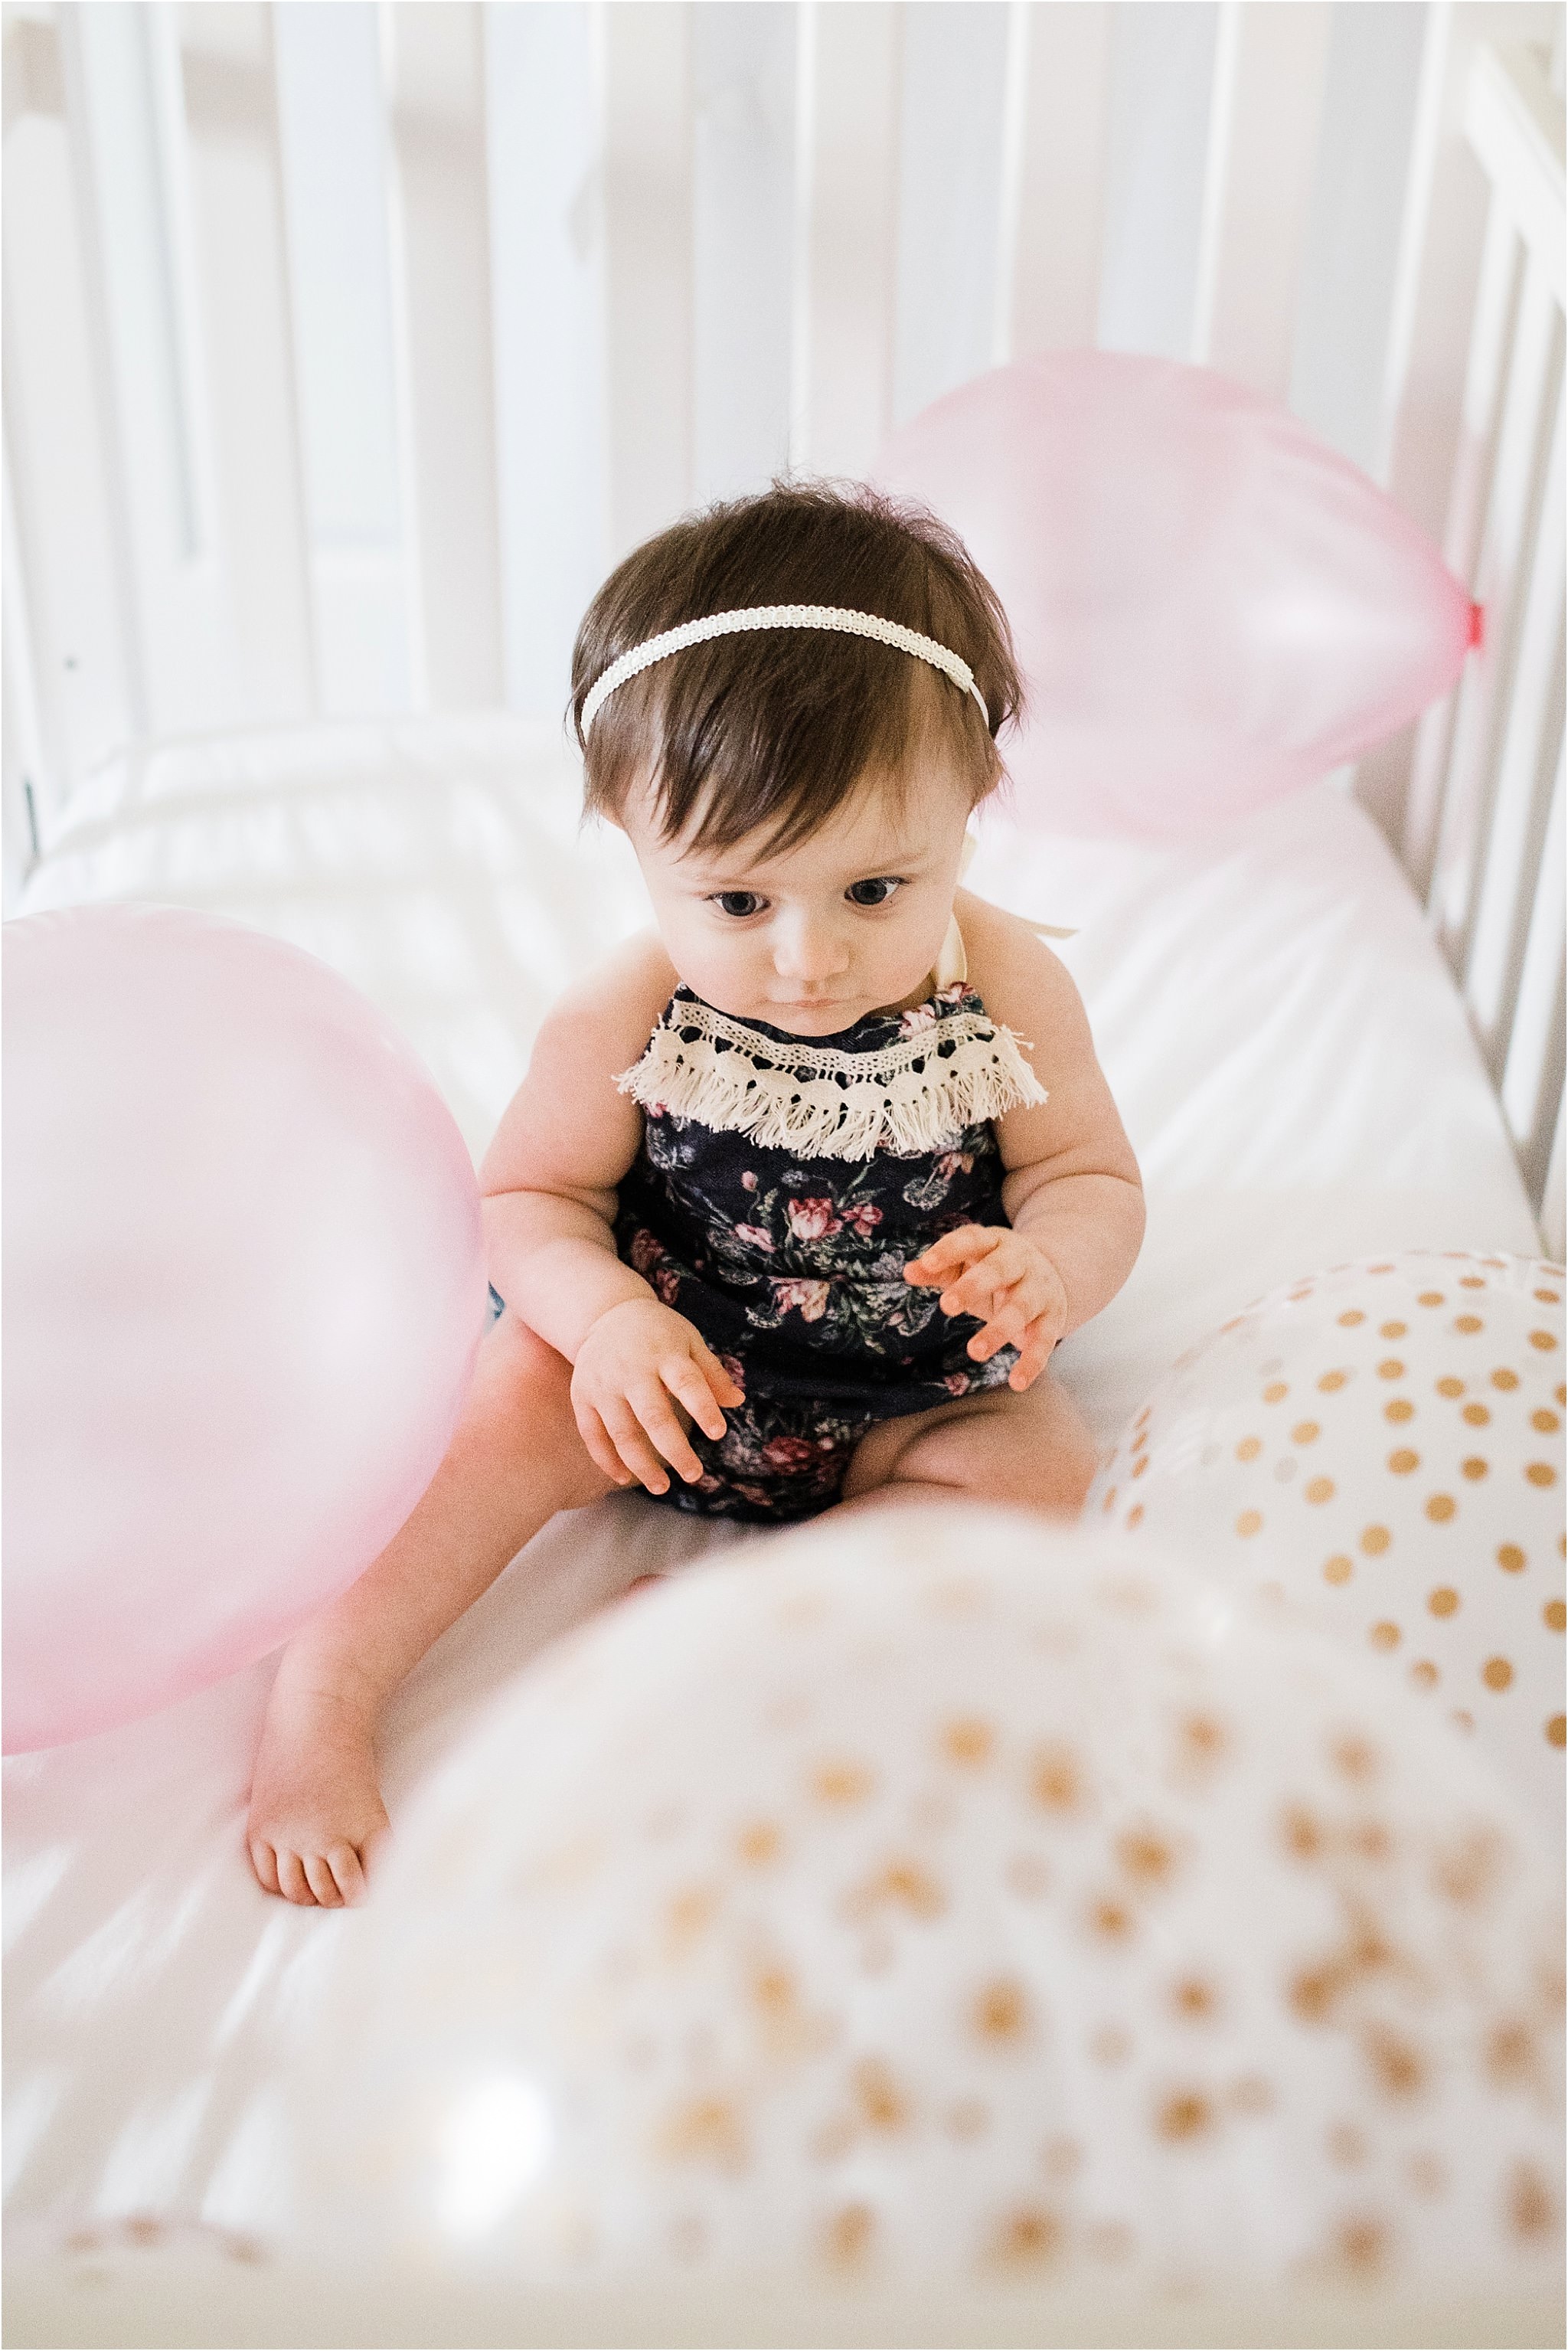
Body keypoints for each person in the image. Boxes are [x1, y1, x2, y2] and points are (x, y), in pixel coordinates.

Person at [246, 482, 1145, 1906]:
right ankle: (327, 1691)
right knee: (496, 1417)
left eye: (872, 889)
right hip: (659, 1375)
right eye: (738, 900)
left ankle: (742, 1612)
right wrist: (602, 1321)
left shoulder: (1008, 989)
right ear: (629, 836)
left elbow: (1087, 1174)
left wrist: (1053, 1266)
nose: (808, 957)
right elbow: (524, 1197)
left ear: (971, 813)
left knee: (1047, 1480)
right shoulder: (629, 1012)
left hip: (913, 1398)